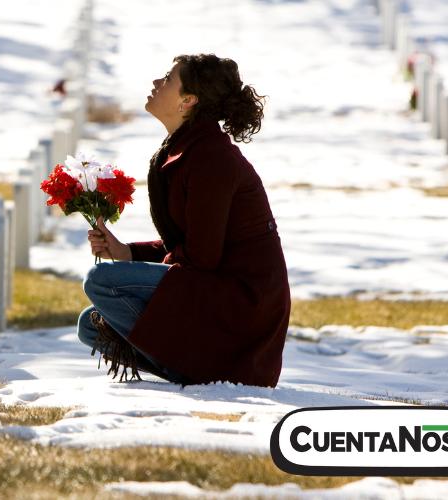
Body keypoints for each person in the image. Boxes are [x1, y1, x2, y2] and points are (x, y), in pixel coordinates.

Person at [76, 54, 290, 388]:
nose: (156, 84)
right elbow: (193, 243)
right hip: (214, 291)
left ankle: (203, 371)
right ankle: (193, 365)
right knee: (91, 325)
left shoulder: (211, 157)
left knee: (100, 281)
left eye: (168, 79)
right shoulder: (188, 149)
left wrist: (132, 270)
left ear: (188, 101)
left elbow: (202, 255)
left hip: (240, 307)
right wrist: (127, 253)